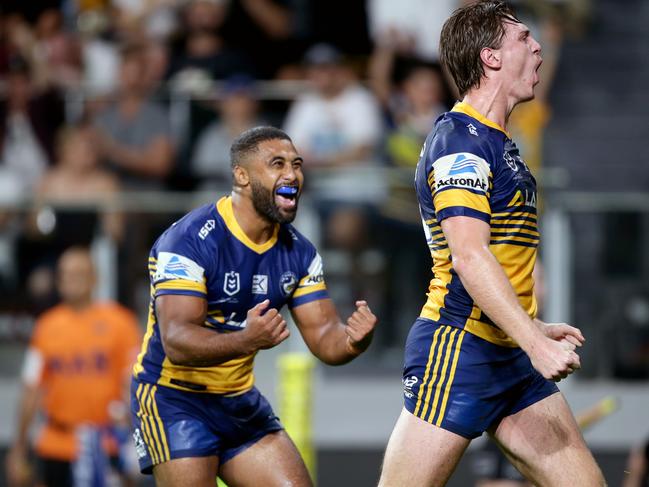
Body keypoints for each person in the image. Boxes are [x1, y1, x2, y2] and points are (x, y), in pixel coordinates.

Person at [378, 2, 605, 486]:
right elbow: (469, 255)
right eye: (524, 38)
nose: (538, 45)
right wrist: (533, 342)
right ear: (491, 58)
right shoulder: (462, 144)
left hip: (510, 354)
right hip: (458, 350)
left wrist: (530, 328)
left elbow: (498, 254)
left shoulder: (495, 141)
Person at [130, 126, 378, 486]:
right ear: (241, 176)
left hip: (238, 398)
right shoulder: (188, 241)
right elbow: (177, 341)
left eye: (297, 164)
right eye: (277, 164)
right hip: (174, 398)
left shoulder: (300, 253)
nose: (292, 174)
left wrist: (355, 340)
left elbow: (325, 336)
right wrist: (246, 340)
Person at [5, 246, 141, 487]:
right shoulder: (46, 327)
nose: (71, 280)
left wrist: (135, 441)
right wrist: (18, 448)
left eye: (78, 273)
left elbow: (132, 385)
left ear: (94, 278)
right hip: (56, 444)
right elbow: (31, 388)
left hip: (106, 443)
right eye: (65, 274)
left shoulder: (121, 323)